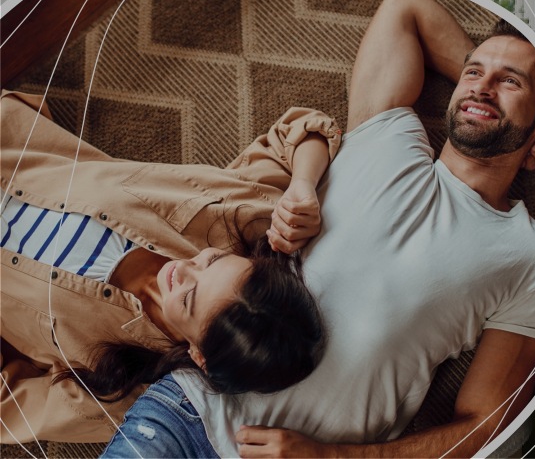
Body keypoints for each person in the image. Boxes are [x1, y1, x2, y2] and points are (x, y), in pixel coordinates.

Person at [125, 0, 535, 459]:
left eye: (509, 81)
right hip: (188, 420)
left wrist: (328, 457)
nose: (481, 86)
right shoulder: (390, 132)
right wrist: (498, 91)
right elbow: (404, 4)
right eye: (472, 72)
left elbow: (488, 425)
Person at [0, 92, 335, 446]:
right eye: (213, 260)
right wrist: (302, 185)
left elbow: (10, 408)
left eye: (190, 298)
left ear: (199, 356)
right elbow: (300, 129)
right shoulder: (236, 217)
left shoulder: (118, 393)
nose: (186, 268)